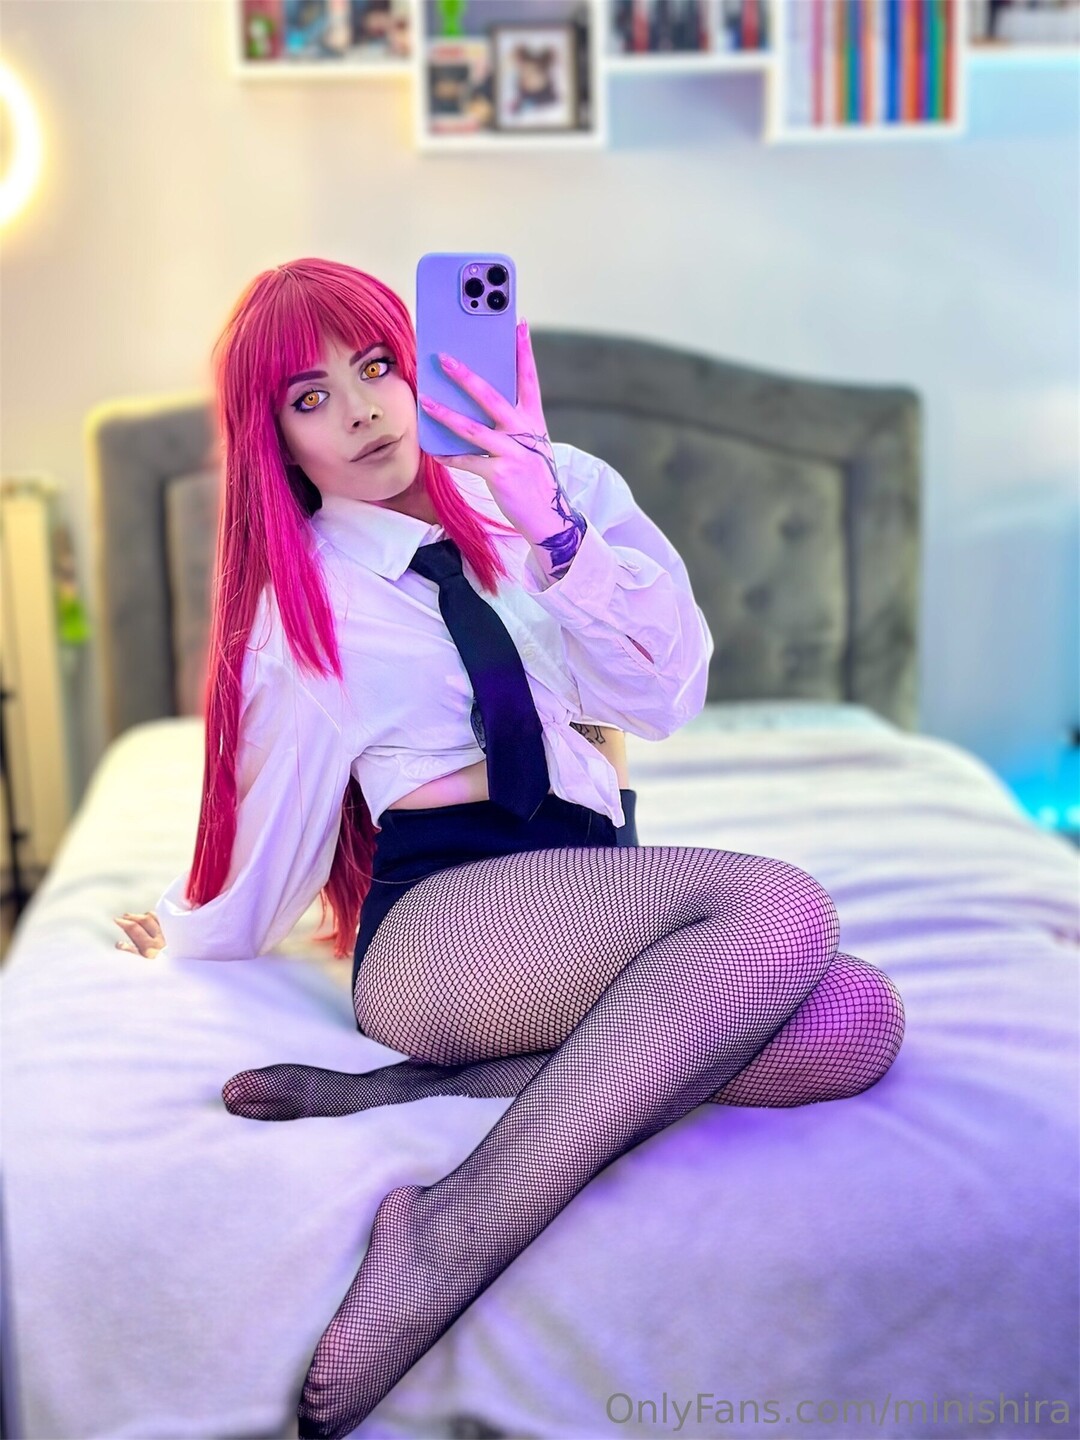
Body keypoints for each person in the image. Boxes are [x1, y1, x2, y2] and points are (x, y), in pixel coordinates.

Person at [113, 257, 906, 1439]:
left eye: (375, 367)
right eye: (311, 397)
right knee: (782, 907)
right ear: (277, 437)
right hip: (440, 931)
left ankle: (416, 1091)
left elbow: (666, 697)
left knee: (858, 1020)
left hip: (586, 898)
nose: (363, 412)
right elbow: (273, 832)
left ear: (418, 366)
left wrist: (549, 529)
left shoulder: (560, 490)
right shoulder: (305, 602)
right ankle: (445, 1232)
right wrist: (185, 931)